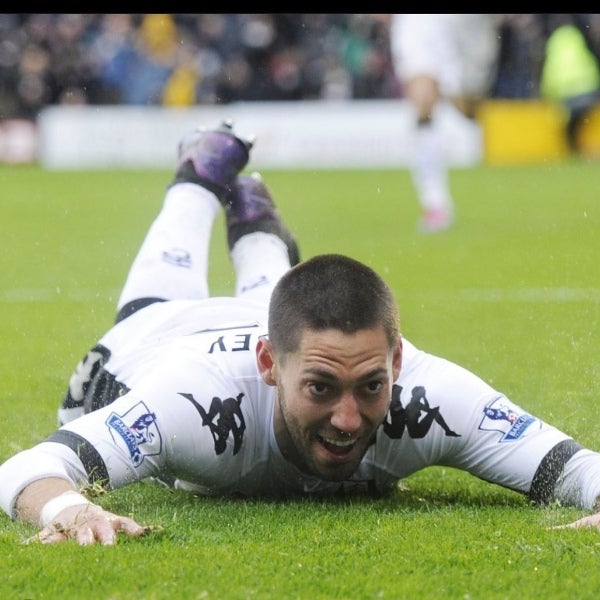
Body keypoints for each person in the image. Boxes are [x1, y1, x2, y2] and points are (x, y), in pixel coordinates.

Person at [2, 119, 600, 547]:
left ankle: (260, 230)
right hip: (154, 343)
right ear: (268, 365)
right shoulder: (193, 402)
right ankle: (202, 174)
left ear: (396, 358)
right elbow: (29, 469)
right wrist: (69, 510)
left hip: (269, 319)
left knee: (274, 303)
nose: (347, 418)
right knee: (148, 306)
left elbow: (573, 466)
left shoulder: (428, 399)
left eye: (370, 385)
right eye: (322, 388)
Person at [389, 14, 500, 233]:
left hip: (466, 25)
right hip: (420, 22)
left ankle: (451, 90)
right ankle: (435, 203)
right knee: (423, 100)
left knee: (468, 106)